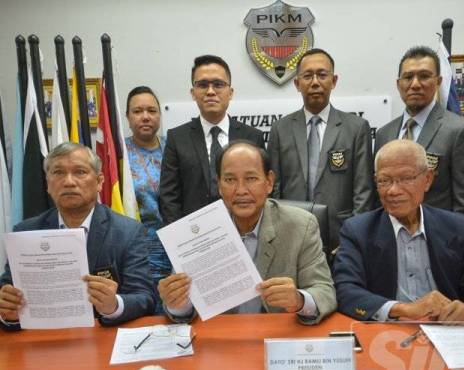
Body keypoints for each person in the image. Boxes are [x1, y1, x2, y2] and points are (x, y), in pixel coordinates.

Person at [159, 140, 336, 325]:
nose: (241, 191)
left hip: (278, 337)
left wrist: (299, 299)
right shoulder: (199, 229)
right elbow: (183, 311)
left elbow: (325, 291)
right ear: (219, 185)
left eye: (251, 179)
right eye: (230, 180)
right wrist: (177, 303)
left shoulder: (301, 225)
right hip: (221, 341)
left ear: (269, 182)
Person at [334, 139, 464, 322]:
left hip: (447, 331)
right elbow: (346, 291)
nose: (393, 190)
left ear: (427, 179)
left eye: (405, 179)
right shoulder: (358, 231)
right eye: (384, 181)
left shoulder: (456, 228)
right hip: (386, 334)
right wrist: (404, 309)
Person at [0, 142, 155, 330]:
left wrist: (113, 305)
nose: (69, 182)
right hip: (42, 341)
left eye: (80, 172)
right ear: (48, 184)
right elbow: (7, 294)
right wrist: (9, 314)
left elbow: (145, 296)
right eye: (58, 173)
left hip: (103, 341)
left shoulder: (128, 232)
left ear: (99, 182)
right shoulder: (24, 233)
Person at [268, 48, 375, 252]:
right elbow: (274, 190)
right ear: (297, 84)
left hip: (341, 238)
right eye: (307, 76)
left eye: (322, 75)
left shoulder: (356, 128)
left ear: (333, 81)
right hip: (291, 238)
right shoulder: (280, 129)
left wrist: (353, 238)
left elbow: (363, 192)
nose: (315, 82)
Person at [375, 46, 464, 224]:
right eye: (408, 77)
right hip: (389, 243)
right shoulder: (384, 134)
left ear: (438, 82)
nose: (415, 84)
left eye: (424, 76)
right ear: (398, 83)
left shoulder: (460, 130)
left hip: (438, 243)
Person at [159, 55, 265, 225]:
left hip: (245, 232)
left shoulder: (252, 137)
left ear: (230, 92)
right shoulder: (177, 138)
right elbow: (168, 197)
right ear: (193, 93)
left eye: (218, 84)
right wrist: (182, 238)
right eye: (202, 85)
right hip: (195, 235)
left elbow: (263, 190)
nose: (210, 91)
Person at [125, 86, 171, 314]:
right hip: (137, 250)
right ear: (128, 117)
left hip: (175, 245)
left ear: (160, 116)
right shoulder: (117, 154)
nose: (145, 116)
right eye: (138, 111)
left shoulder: (174, 147)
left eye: (152, 110)